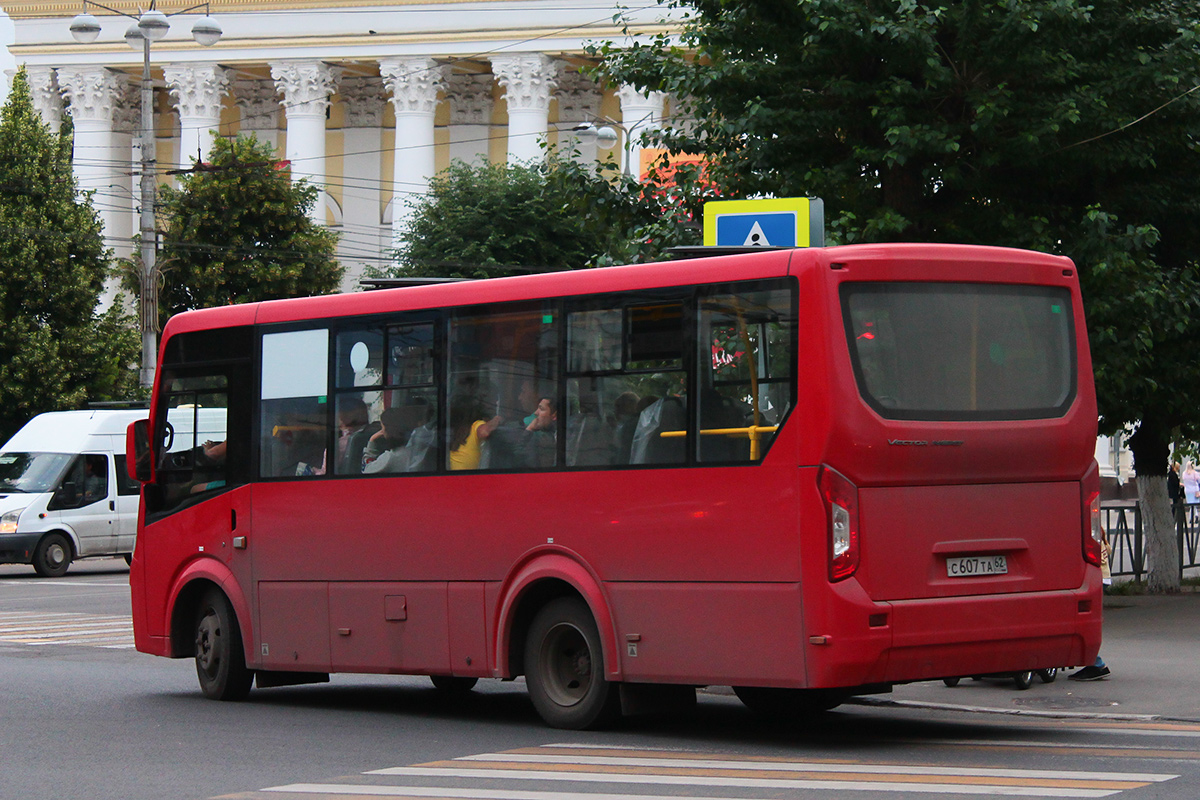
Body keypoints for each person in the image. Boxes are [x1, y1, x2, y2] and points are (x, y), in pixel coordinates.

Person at [1070, 525, 1112, 681]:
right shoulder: (1100, 540)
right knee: (1088, 621)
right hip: (1103, 579)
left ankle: (1096, 663)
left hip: (1096, 580)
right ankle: (1095, 662)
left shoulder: (1086, 539)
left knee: (1083, 622)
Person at [448, 398, 502, 470]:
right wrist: (498, 419)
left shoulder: (455, 431)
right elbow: (484, 432)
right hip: (469, 478)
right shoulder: (475, 426)